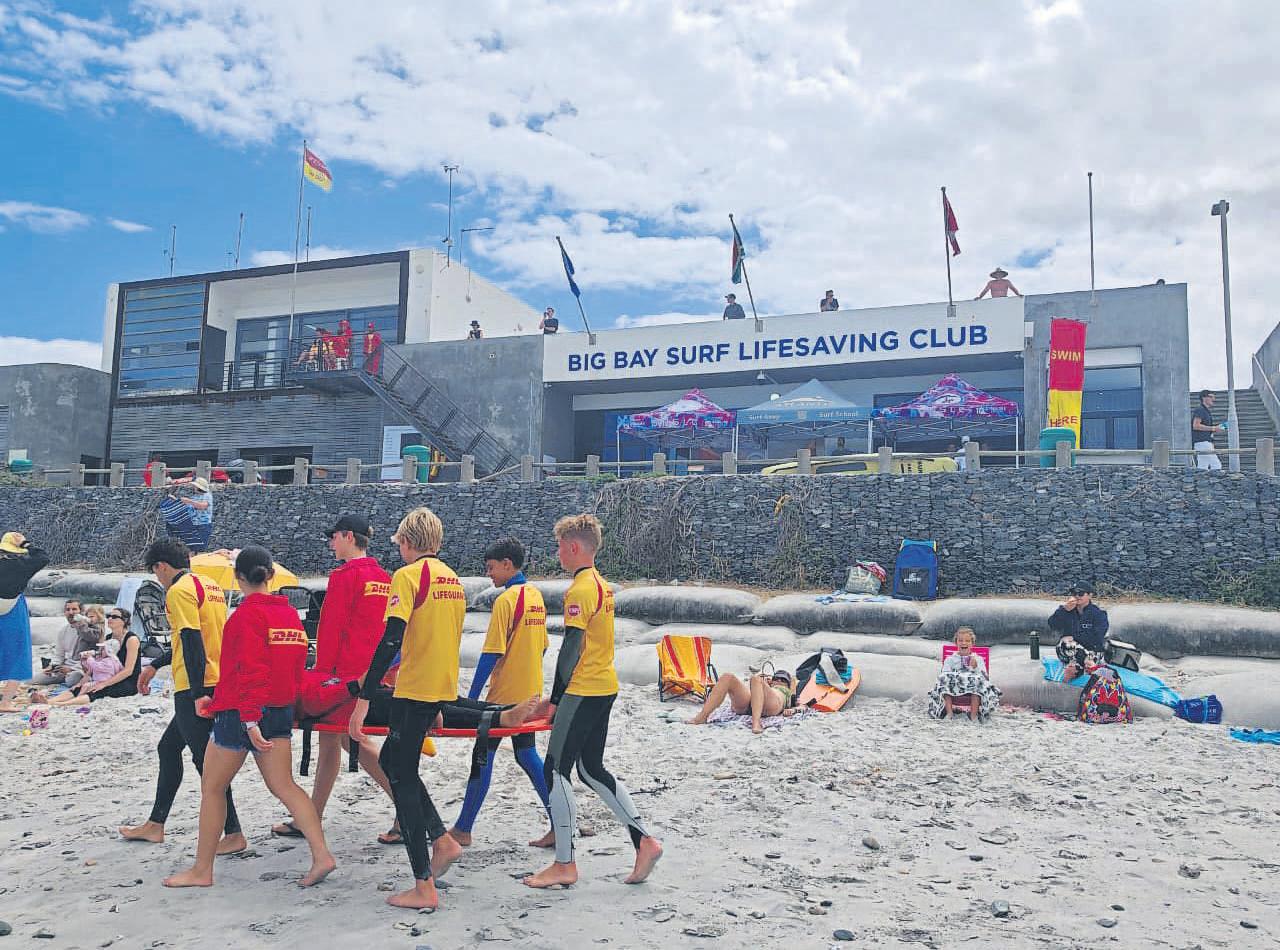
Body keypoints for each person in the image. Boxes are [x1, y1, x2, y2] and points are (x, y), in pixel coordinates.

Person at [163, 546, 336, 889]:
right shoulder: (290, 617)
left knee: (213, 787)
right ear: (270, 575)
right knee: (285, 786)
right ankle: (321, 855)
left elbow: (248, 671)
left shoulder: (244, 617)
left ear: (238, 577)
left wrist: (249, 719)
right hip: (280, 709)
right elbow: (297, 665)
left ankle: (202, 870)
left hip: (241, 714)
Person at [524, 513, 662, 889]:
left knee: (555, 770)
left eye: (559, 547)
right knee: (590, 769)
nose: (557, 554)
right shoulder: (602, 585)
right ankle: (644, 841)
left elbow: (571, 648)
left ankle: (564, 863)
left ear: (573, 547)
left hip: (583, 690)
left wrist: (555, 699)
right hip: (605, 686)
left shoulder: (580, 590)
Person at [349, 507, 468, 910]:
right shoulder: (452, 579)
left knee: (400, 776)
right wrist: (439, 701)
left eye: (399, 542)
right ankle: (442, 840)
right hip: (438, 687)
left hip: (415, 689)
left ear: (407, 541)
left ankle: (423, 883)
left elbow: (391, 639)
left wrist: (364, 697)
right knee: (393, 762)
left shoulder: (408, 576)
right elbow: (447, 638)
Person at [275, 515, 399, 844]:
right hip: (372, 674)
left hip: (344, 677)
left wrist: (321, 678)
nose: (331, 543)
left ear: (348, 537)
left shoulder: (345, 576)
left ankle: (407, 807)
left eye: (334, 537)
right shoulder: (384, 578)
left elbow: (331, 630)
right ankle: (312, 815)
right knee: (333, 740)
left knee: (348, 740)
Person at [119, 540, 245, 854]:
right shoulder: (209, 585)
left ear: (161, 566)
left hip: (194, 685)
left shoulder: (179, 591)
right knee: (169, 747)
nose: (158, 579)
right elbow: (199, 636)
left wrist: (198, 693)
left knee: (206, 761)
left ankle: (233, 832)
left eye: (155, 572)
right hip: (214, 677)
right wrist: (157, 665)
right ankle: (155, 824)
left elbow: (190, 639)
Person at [450, 537, 551, 847]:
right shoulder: (535, 596)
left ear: (507, 564)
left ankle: (463, 828)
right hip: (530, 692)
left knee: (483, 755)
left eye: (491, 567)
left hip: (504, 698)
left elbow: (491, 653)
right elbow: (543, 646)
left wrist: (473, 697)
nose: (489, 574)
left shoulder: (506, 601)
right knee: (527, 755)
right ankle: (561, 820)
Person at [35, 608, 142, 707]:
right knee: (80, 687)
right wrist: (82, 681)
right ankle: (50, 701)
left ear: (124, 621)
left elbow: (128, 670)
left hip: (127, 681)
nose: (110, 619)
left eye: (114, 617)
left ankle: (60, 704)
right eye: (108, 616)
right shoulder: (108, 638)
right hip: (109, 675)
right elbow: (99, 661)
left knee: (97, 690)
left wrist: (104, 683)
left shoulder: (131, 639)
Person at [0, 532, 50, 712]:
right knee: (19, 652)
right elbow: (43, 557)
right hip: (13, 606)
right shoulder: (22, 565)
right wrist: (26, 544)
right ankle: (5, 702)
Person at [927, 627, 1001, 721]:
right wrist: (953, 675)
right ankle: (949, 713)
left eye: (967, 641)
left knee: (978, 685)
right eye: (960, 640)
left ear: (972, 643)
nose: (964, 643)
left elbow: (985, 678)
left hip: (972, 688)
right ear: (956, 643)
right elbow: (944, 675)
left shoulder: (978, 659)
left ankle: (973, 715)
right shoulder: (950, 659)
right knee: (943, 683)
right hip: (954, 687)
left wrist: (975, 667)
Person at [687, 670, 797, 734]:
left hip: (773, 705)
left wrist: (792, 709)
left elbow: (793, 680)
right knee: (728, 676)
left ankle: (756, 723)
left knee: (755, 679)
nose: (779, 680)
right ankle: (701, 717)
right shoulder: (766, 686)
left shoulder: (788, 691)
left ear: (787, 684)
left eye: (783, 680)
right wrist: (766, 683)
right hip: (751, 703)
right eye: (776, 678)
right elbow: (759, 685)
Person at [1049, 582, 1110, 682]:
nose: (1077, 596)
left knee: (1069, 643)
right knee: (1064, 644)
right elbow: (1053, 625)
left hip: (1091, 651)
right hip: (1070, 651)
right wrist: (1063, 610)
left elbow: (1097, 638)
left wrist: (1074, 637)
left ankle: (1077, 668)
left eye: (1080, 593)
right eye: (1074, 593)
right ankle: (1085, 666)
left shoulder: (1099, 614)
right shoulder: (1067, 611)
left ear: (1090, 595)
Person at [30, 599, 86, 688]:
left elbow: (93, 657)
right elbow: (59, 655)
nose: (71, 612)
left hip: (81, 669)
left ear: (81, 612)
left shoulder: (89, 631)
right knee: (34, 680)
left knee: (72, 680)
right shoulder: (63, 631)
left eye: (74, 609)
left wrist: (72, 669)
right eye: (68, 610)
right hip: (64, 668)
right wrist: (53, 666)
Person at [1192, 390, 1225, 471]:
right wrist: (1213, 428)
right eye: (1211, 397)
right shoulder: (1200, 410)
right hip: (1203, 442)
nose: (1213, 399)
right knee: (1216, 465)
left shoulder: (1205, 411)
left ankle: (1201, 478)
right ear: (1204, 398)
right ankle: (1216, 478)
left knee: (1202, 466)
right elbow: (1196, 425)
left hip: (1202, 442)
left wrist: (1214, 429)